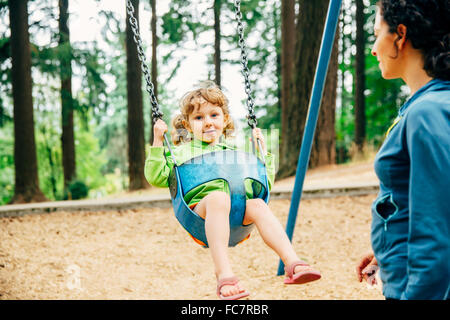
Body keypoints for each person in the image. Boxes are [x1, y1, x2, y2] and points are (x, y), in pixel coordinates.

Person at [145, 82, 321, 300]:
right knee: (218, 198)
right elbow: (156, 177)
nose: (208, 122)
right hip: (200, 215)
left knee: (257, 204)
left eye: (214, 115)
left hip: (236, 217)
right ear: (188, 126)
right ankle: (224, 275)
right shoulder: (181, 152)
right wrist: (157, 141)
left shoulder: (234, 152)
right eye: (199, 118)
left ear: (225, 119)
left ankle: (293, 263)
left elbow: (263, 184)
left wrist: (264, 153)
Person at [356, 0, 450, 300]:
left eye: (376, 33)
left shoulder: (427, 113)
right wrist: (387, 246)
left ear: (400, 35)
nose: (373, 48)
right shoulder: (430, 105)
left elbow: (437, 229)